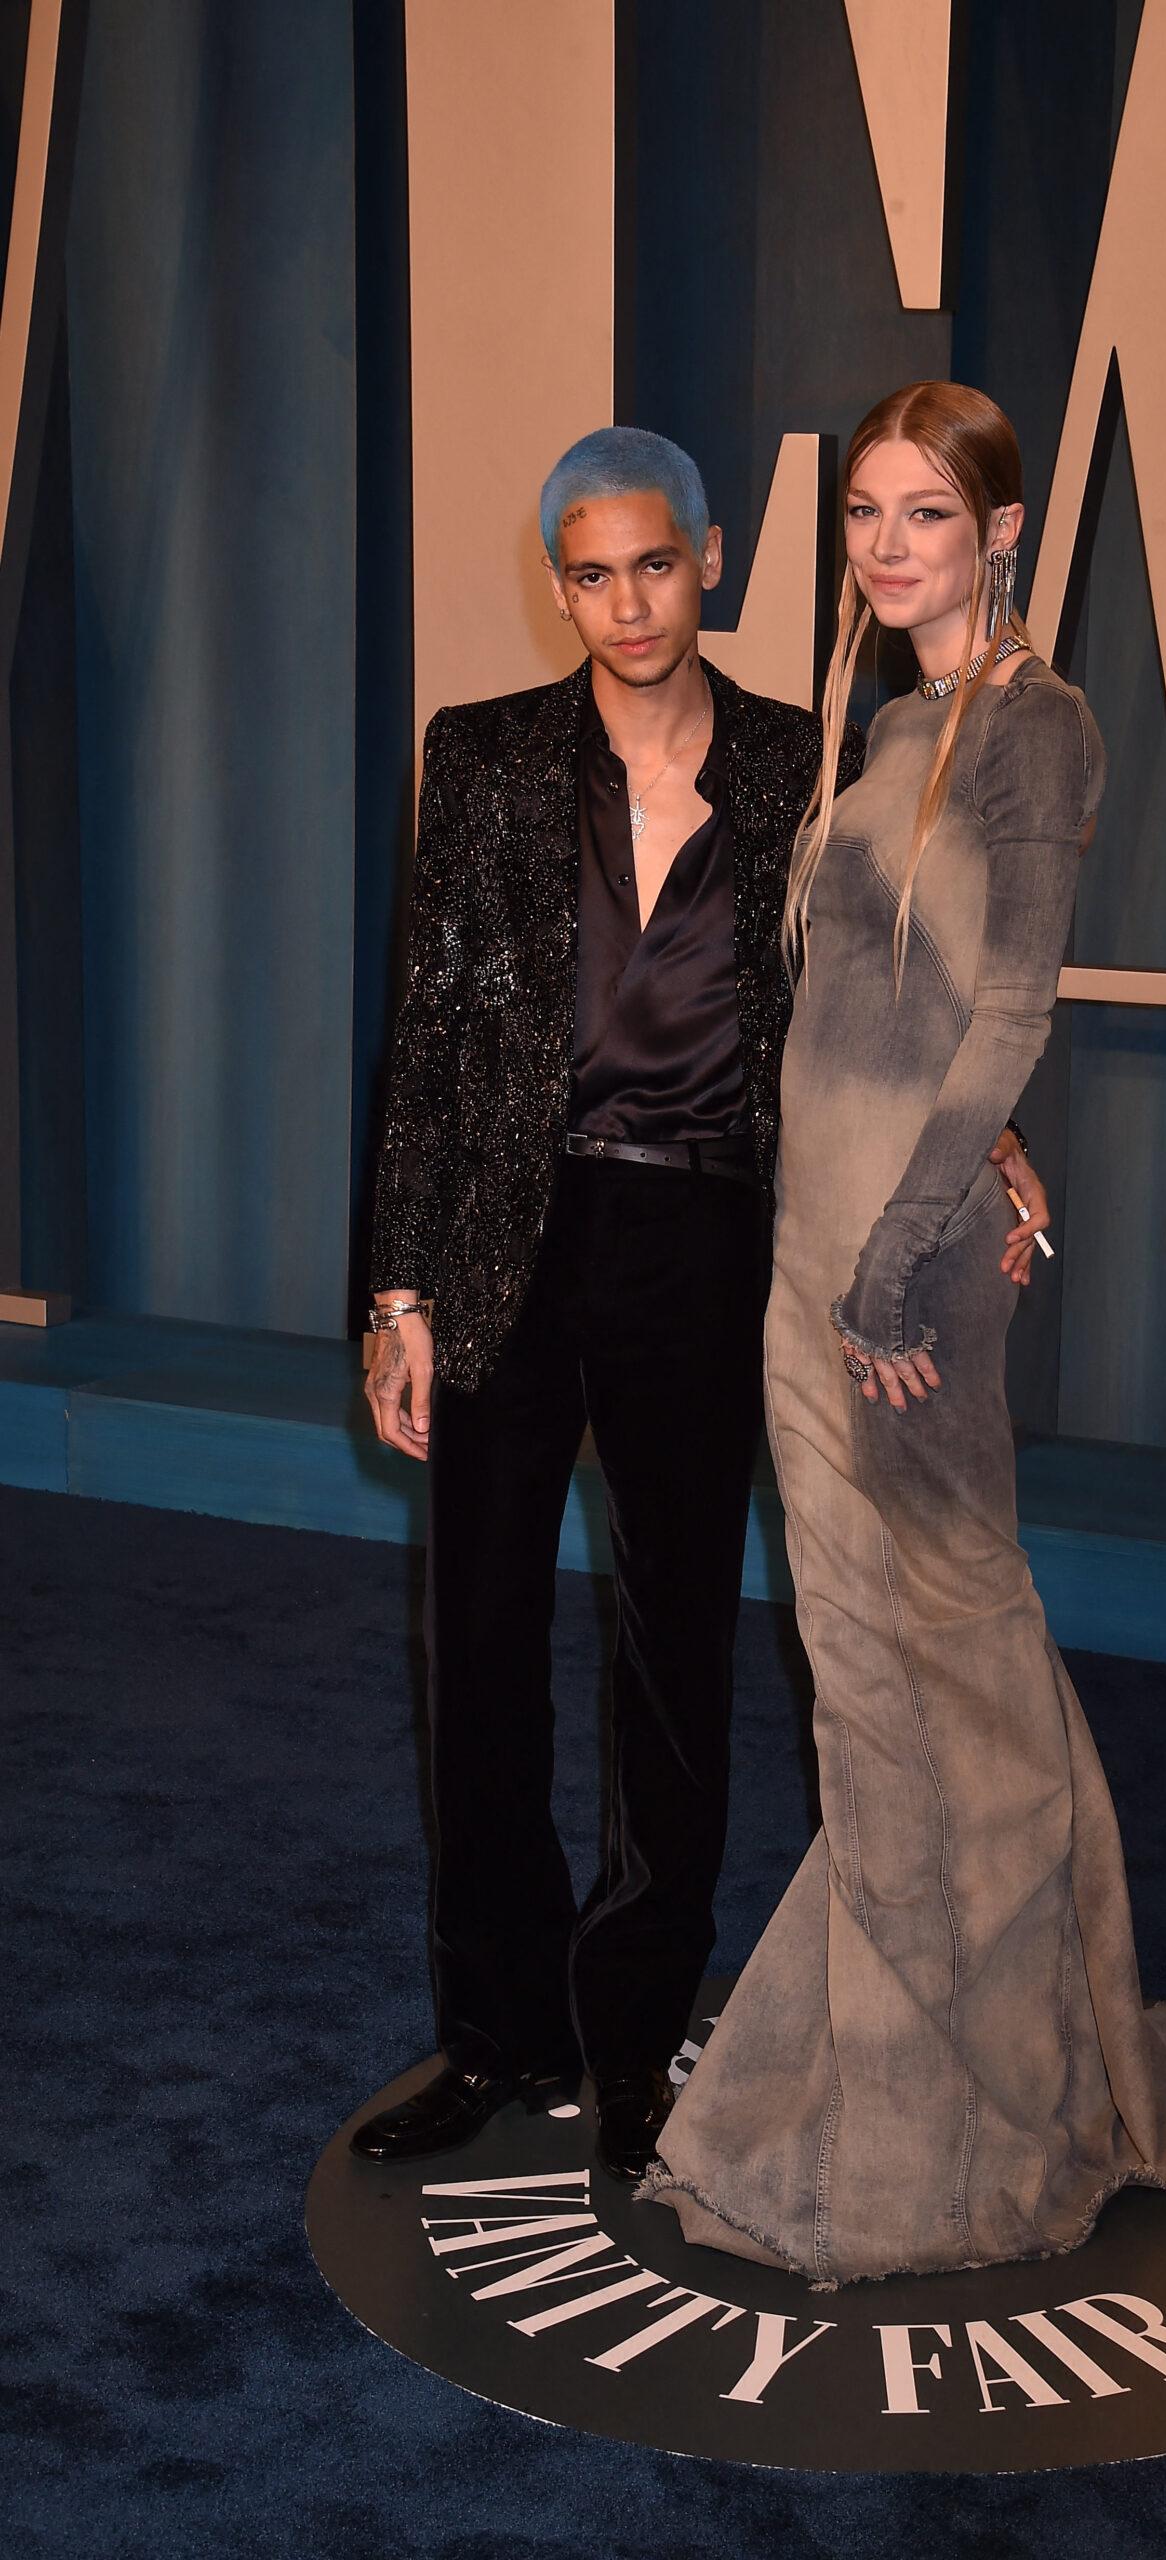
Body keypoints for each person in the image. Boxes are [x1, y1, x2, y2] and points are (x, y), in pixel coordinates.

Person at [642, 382, 1166, 2282]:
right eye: (862, 512)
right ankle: (915, 2072)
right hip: (813, 1249)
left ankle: (958, 2122)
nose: (887, 544)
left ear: (1002, 529)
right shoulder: (885, 723)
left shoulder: (1035, 730)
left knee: (948, 1676)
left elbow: (1007, 1011)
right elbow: (896, 1017)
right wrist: (950, 1175)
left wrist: (907, 1255)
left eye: (926, 512)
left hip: (886, 1285)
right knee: (872, 1683)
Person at [351, 427, 1046, 2181]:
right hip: (513, 1237)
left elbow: (895, 992)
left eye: (655, 564)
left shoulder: (802, 764)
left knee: (676, 1657)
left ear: (712, 558)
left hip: (704, 1242)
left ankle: (637, 2033)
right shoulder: (487, 759)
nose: (626, 603)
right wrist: (398, 1284)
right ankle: (494, 2035)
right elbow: (428, 1045)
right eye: (590, 573)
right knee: (484, 1654)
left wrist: (1002, 1124)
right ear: (559, 582)